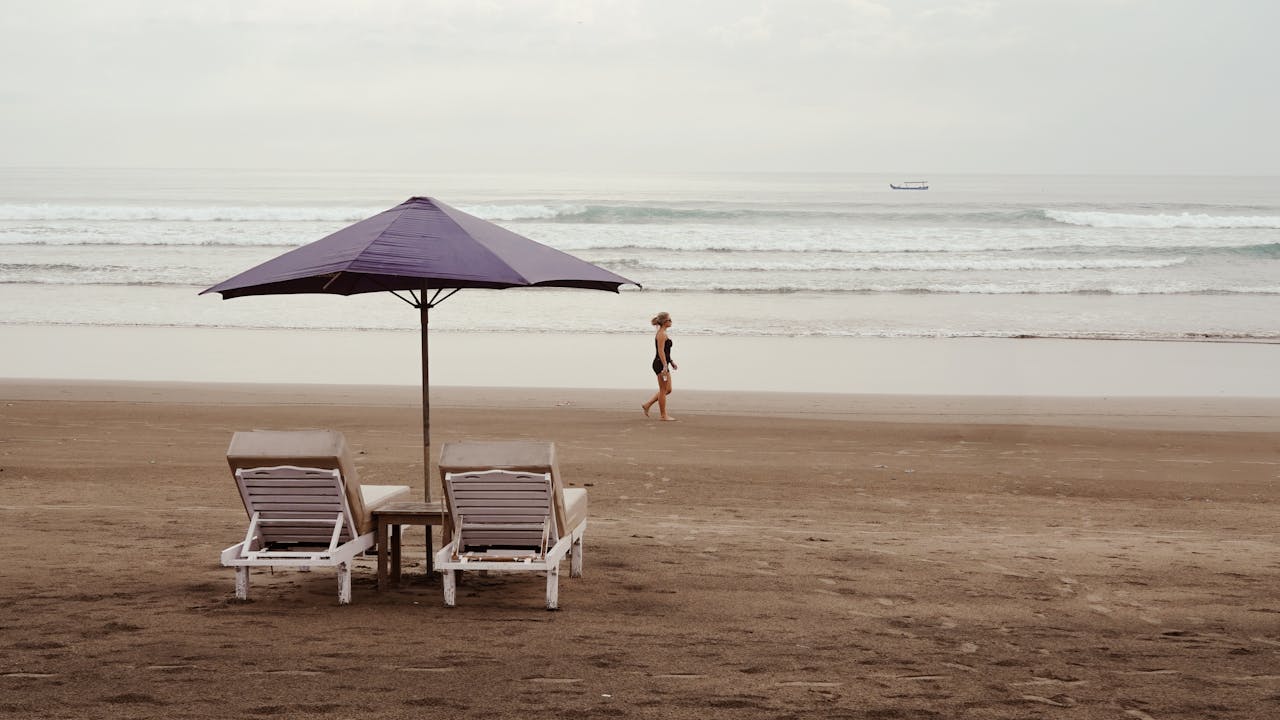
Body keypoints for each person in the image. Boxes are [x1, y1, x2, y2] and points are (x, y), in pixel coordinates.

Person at [642, 312, 678, 420]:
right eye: (669, 319)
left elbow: (666, 352)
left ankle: (647, 405)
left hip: (663, 363)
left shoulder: (664, 333)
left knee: (668, 389)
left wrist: (671, 361)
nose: (671, 321)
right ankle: (663, 415)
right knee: (663, 389)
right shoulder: (661, 334)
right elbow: (661, 351)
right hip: (660, 364)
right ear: (664, 322)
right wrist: (665, 366)